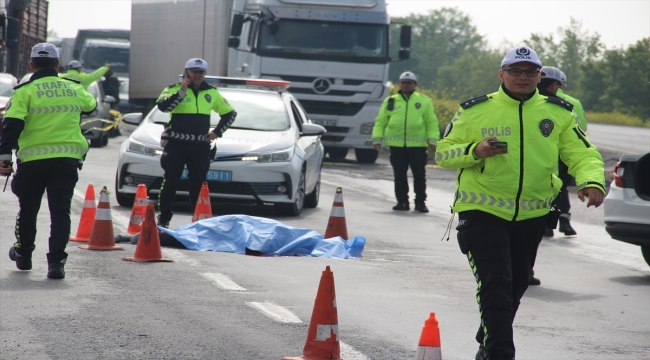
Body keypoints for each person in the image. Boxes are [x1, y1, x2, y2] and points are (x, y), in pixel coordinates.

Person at [435, 46, 605, 360]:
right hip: (482, 213)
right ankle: (499, 353)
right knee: (496, 282)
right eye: (515, 71)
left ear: (540, 76)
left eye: (530, 72)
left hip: (533, 214)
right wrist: (475, 150)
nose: (522, 77)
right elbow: (442, 153)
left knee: (515, 286)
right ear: (502, 74)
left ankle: (489, 331)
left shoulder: (558, 112)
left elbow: (583, 154)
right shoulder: (474, 111)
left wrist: (591, 180)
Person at [0, 43, 97, 279]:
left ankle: (23, 254)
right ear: (57, 64)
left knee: (29, 209)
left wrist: (4, 157)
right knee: (60, 212)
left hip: (33, 161)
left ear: (32, 65)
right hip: (66, 161)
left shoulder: (24, 91)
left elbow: (12, 126)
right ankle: (56, 264)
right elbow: (91, 107)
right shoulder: (73, 88)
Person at [155, 58, 236, 228]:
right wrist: (182, 92)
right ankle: (163, 219)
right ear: (186, 72)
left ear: (205, 73)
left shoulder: (212, 92)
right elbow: (164, 107)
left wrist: (216, 132)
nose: (197, 75)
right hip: (176, 144)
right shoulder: (173, 89)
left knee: (198, 184)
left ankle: (198, 221)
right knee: (170, 181)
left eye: (200, 72)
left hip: (199, 146)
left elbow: (230, 114)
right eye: (193, 71)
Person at [372, 71, 439, 213]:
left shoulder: (424, 101)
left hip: (418, 146)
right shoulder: (391, 101)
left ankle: (420, 202)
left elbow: (431, 123)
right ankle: (402, 202)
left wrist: (433, 141)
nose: (405, 85)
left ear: (415, 84)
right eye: (403, 82)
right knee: (399, 175)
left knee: (419, 175)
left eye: (408, 83)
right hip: (396, 146)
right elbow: (380, 121)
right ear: (399, 84)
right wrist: (377, 139)